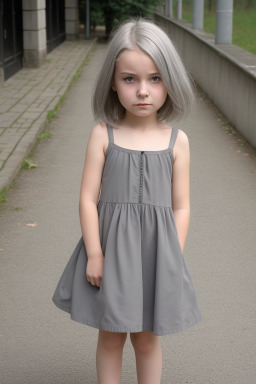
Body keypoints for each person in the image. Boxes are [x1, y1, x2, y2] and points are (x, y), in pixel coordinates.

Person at [52, 18, 202, 384]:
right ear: (113, 83)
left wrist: (173, 255)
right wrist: (95, 253)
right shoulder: (103, 135)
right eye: (130, 79)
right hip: (111, 252)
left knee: (147, 338)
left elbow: (181, 206)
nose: (143, 92)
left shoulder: (176, 142)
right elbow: (88, 199)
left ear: (170, 81)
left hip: (156, 254)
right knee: (111, 335)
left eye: (155, 78)